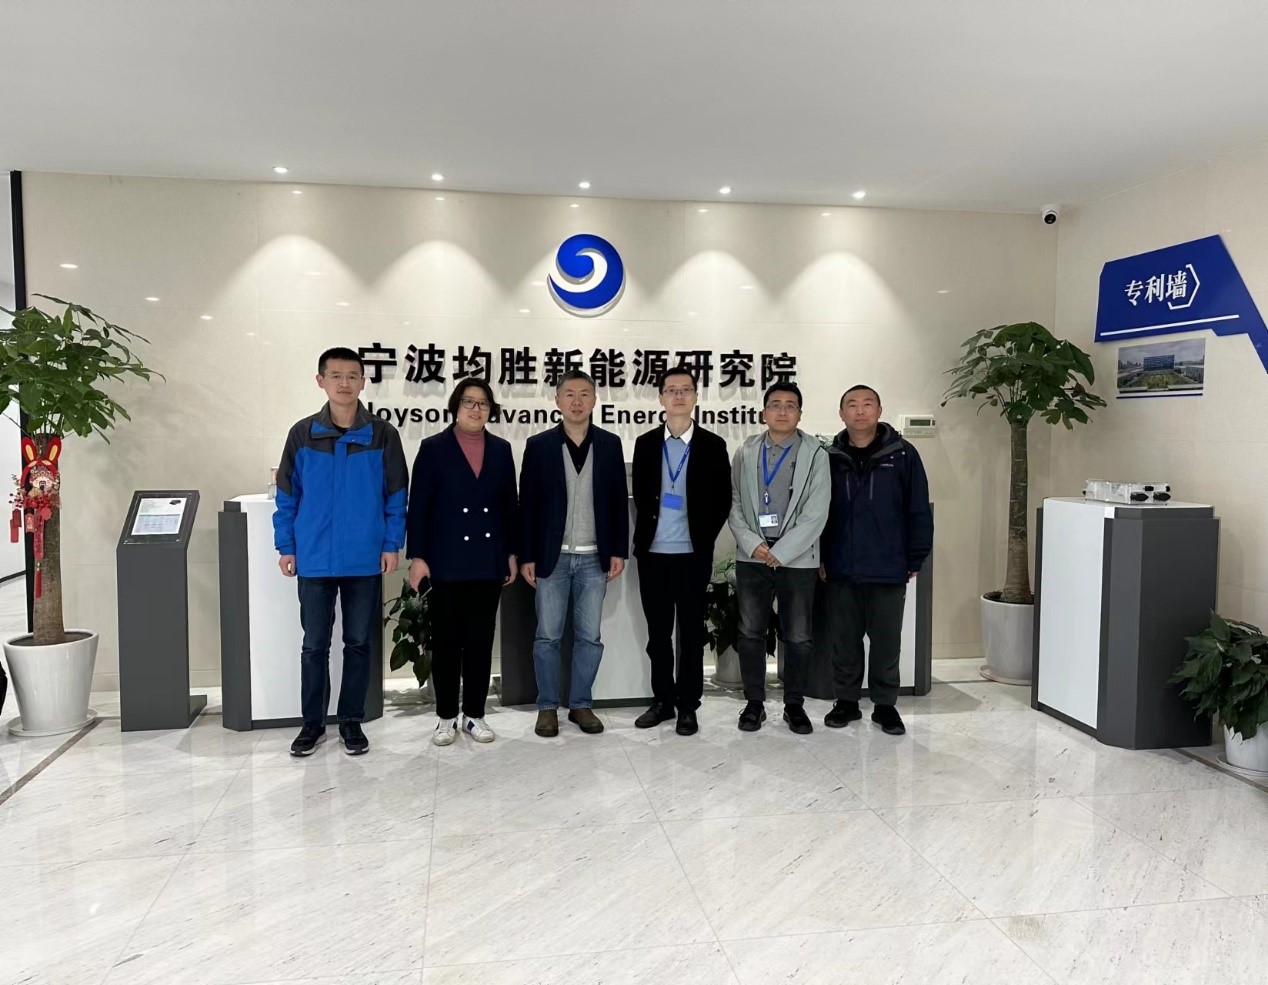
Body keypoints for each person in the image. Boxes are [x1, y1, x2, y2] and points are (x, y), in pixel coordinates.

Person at [274, 347, 408, 757]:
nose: (344, 383)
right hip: (314, 558)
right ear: (321, 381)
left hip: (363, 558)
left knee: (358, 643)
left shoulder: (382, 434)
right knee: (314, 645)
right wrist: (286, 546)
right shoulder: (302, 434)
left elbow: (396, 495)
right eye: (336, 375)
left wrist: (391, 544)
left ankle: (351, 721)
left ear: (363, 382)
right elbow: (287, 496)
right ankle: (312, 725)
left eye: (352, 376)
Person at [406, 379, 518, 747]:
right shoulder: (433, 448)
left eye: (483, 403)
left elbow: (509, 506)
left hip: (488, 560)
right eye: (469, 402)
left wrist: (511, 553)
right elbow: (419, 507)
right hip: (446, 562)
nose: (476, 409)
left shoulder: (501, 449)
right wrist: (418, 557)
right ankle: (445, 717)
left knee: (480, 643)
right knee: (447, 644)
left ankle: (474, 715)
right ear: (456, 406)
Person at [519, 369, 629, 737]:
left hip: (595, 558)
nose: (577, 401)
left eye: (584, 394)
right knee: (547, 637)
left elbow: (617, 501)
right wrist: (527, 555)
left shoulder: (610, 444)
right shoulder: (539, 445)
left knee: (589, 637)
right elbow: (527, 505)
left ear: (595, 400)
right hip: (552, 558)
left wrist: (618, 550)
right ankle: (547, 707)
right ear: (557, 400)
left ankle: (581, 704)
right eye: (569, 394)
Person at [820, 384, 933, 736]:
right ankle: (847, 702)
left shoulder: (902, 454)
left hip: (888, 565)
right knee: (845, 640)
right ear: (841, 413)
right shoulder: (828, 457)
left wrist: (916, 556)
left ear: (879, 411)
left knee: (886, 642)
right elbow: (817, 513)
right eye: (852, 405)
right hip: (841, 565)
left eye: (867, 404)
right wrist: (820, 556)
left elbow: (918, 508)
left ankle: (885, 706)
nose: (860, 411)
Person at [631, 367, 730, 735]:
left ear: (695, 397)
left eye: (685, 389)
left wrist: (702, 538)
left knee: (690, 634)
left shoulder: (713, 445)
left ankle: (688, 705)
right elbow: (643, 496)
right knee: (658, 635)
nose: (678, 396)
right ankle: (663, 701)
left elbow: (722, 500)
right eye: (671, 390)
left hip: (692, 556)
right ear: (660, 398)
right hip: (653, 555)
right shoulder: (645, 443)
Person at [727, 381, 830, 734]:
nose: (782, 411)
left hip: (797, 560)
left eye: (790, 405)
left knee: (798, 636)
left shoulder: (816, 454)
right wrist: (753, 544)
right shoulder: (746, 451)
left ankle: (794, 706)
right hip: (753, 557)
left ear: (800, 414)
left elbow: (817, 512)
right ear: (763, 412)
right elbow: (734, 502)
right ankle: (754, 704)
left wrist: (782, 552)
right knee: (750, 632)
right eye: (775, 404)